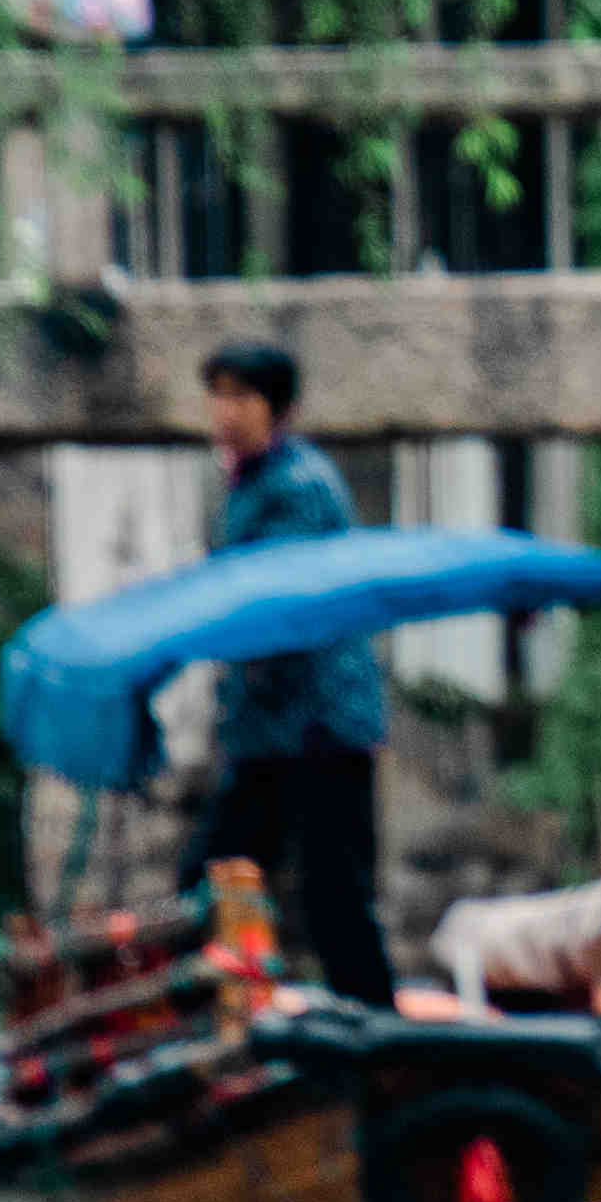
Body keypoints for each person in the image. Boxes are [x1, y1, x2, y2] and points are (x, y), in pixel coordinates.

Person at [198, 340, 398, 1007]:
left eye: (242, 397)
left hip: (320, 725)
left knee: (332, 893)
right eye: (218, 394)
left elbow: (277, 605)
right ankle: (221, 1011)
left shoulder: (299, 487)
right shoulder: (250, 481)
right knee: (219, 875)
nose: (226, 412)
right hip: (268, 729)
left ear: (278, 410)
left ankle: (377, 1036)